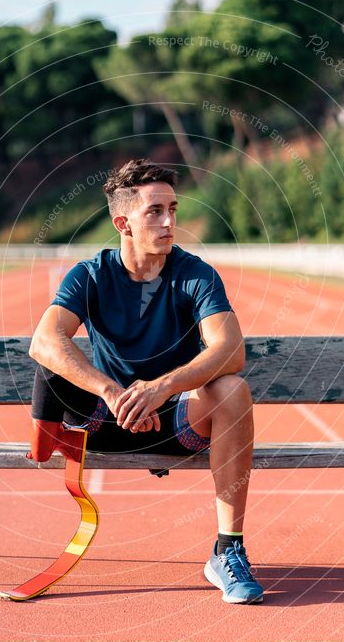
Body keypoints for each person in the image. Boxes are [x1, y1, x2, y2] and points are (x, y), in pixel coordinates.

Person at [29, 158, 264, 604]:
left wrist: (162, 387)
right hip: (106, 425)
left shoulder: (195, 273)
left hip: (177, 424)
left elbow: (231, 351)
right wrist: (113, 392)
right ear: (123, 222)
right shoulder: (92, 274)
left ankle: (227, 550)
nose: (170, 221)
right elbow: (44, 340)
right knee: (53, 362)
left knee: (233, 388)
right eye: (154, 211)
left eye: (172, 208)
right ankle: (51, 438)